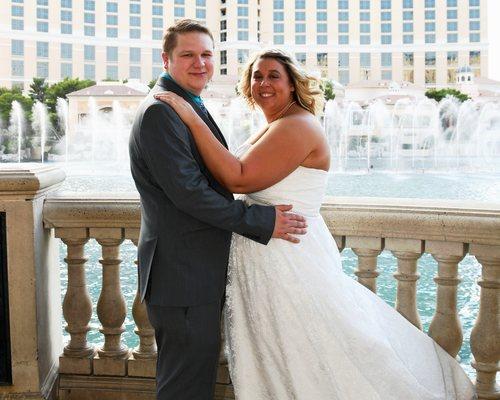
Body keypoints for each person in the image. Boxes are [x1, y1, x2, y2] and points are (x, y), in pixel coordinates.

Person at [154, 49, 476, 399]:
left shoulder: (297, 125)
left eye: (273, 76)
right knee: (279, 350)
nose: (263, 83)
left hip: (287, 258)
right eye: (256, 76)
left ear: (292, 85)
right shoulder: (276, 124)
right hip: (268, 253)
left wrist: (191, 117)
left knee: (308, 347)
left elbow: (239, 179)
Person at [128, 21, 307, 400]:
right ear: (166, 59)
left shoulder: (184, 104)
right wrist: (261, 219)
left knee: (192, 379)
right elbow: (190, 195)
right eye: (188, 55)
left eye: (206, 54)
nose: (200, 63)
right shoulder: (162, 111)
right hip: (182, 278)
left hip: (190, 273)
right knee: (185, 386)